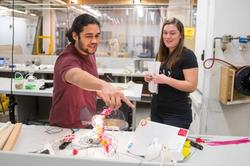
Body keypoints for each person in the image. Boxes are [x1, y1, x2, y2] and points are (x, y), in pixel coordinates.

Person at [49, 14, 134, 128]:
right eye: (88, 36)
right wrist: (104, 85)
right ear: (75, 35)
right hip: (65, 127)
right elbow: (76, 77)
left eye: (97, 36)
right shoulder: (67, 58)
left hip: (87, 121)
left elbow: (88, 84)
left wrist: (102, 93)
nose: (94, 41)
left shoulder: (90, 53)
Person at [144, 18, 198, 129]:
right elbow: (159, 78)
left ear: (181, 35)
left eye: (172, 33)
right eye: (165, 33)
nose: (168, 36)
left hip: (176, 114)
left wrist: (166, 80)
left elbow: (192, 86)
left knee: (171, 146)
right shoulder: (161, 54)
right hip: (157, 110)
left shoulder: (187, 55)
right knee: (158, 144)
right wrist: (149, 78)